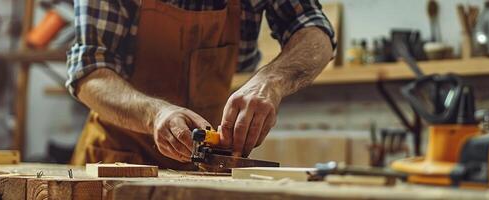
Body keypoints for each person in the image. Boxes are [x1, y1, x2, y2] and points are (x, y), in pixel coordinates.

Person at [67, 0, 335, 169]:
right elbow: (89, 72)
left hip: (205, 164)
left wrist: (270, 81)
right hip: (116, 156)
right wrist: (155, 114)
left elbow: (315, 30)